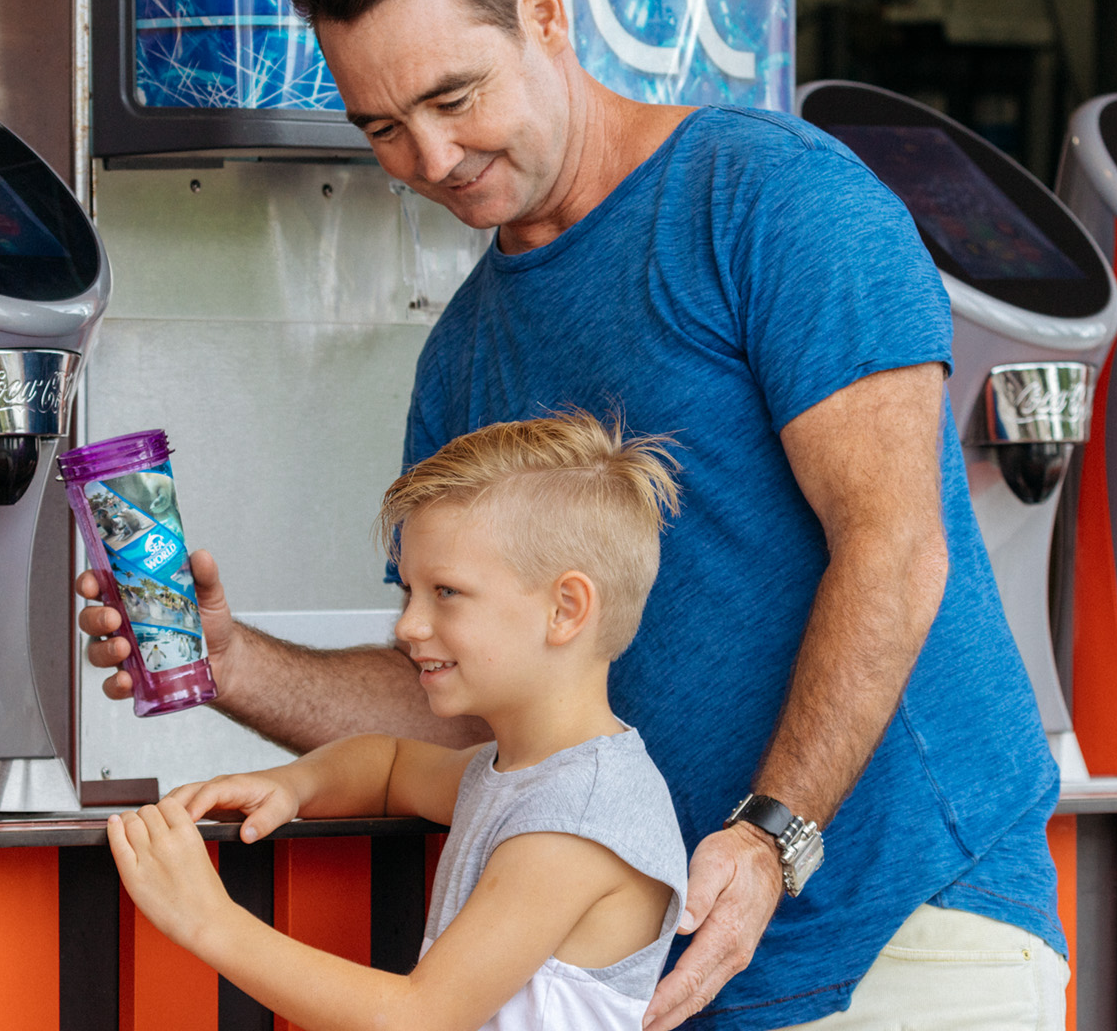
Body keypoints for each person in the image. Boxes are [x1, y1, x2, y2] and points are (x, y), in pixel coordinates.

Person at [79, 0, 1070, 1027]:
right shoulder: (461, 357)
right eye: (382, 128)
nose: (432, 156)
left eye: (455, 98)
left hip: (908, 927)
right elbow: (472, 700)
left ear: (545, 15)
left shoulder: (771, 195)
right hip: (674, 970)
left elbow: (894, 542)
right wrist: (233, 664)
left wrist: (774, 837)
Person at [109, 414, 690, 1031]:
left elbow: (419, 1017)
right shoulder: (518, 772)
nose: (408, 626)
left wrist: (205, 919)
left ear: (565, 609)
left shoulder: (578, 820)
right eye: (409, 590)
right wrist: (294, 786)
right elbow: (387, 764)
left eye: (445, 592)